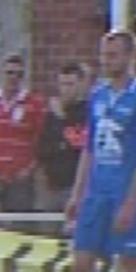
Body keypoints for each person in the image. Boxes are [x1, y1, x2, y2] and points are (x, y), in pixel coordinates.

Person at [64, 30, 136, 272]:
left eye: (113, 55)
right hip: (96, 193)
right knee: (81, 265)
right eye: (104, 54)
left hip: (126, 190)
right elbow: (89, 150)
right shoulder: (96, 96)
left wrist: (131, 201)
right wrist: (77, 193)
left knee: (131, 266)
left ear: (130, 57)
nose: (106, 60)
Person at [0, 52, 44, 212]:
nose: (14, 77)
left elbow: (41, 141)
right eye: (10, 73)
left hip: (20, 179)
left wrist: (29, 169)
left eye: (19, 74)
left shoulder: (34, 103)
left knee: (19, 227)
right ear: (2, 73)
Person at [34, 61, 88, 217]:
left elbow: (77, 143)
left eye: (70, 84)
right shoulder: (52, 113)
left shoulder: (87, 112)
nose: (65, 89)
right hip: (52, 184)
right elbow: (42, 146)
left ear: (81, 84)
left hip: (75, 185)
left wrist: (62, 119)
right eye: (62, 84)